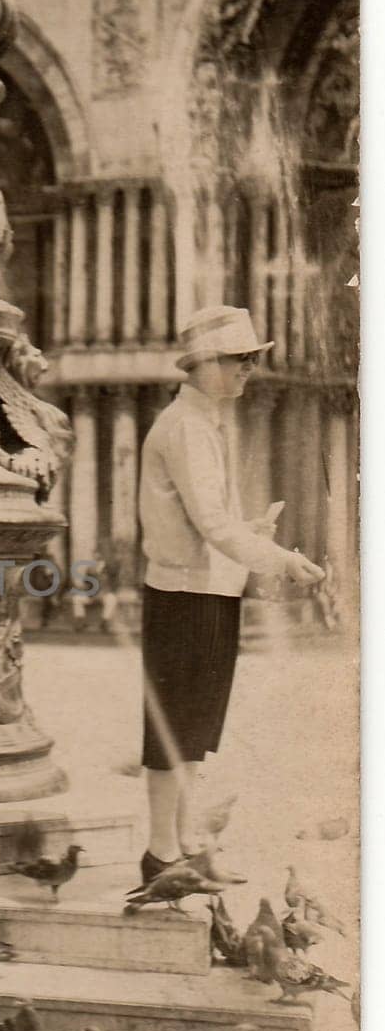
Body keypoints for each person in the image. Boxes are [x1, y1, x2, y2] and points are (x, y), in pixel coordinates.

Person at [137, 306, 324, 883]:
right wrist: (281, 560)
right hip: (184, 594)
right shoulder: (188, 427)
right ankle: (162, 853)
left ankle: (181, 846)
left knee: (193, 729)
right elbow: (213, 526)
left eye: (251, 361)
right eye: (241, 361)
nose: (249, 371)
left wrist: (254, 537)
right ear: (208, 364)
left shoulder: (203, 422)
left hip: (207, 589)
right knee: (174, 727)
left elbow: (212, 523)